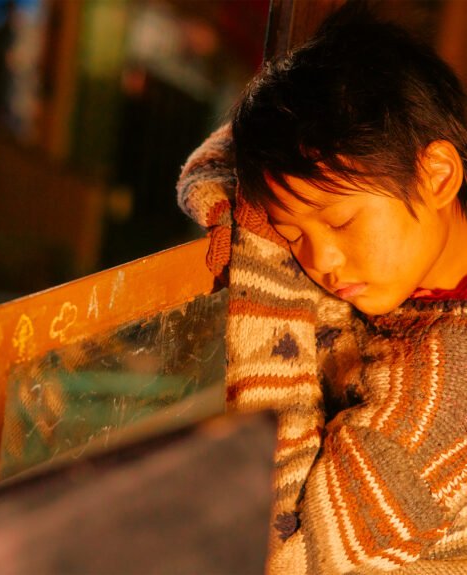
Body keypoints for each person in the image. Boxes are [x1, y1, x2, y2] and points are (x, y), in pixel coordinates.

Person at [178, 4, 467, 574]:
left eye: (341, 222)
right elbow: (227, 147)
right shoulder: (426, 265)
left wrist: (264, 258)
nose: (321, 261)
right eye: (290, 235)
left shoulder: (438, 401)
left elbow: (279, 559)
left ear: (437, 175)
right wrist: (234, 196)